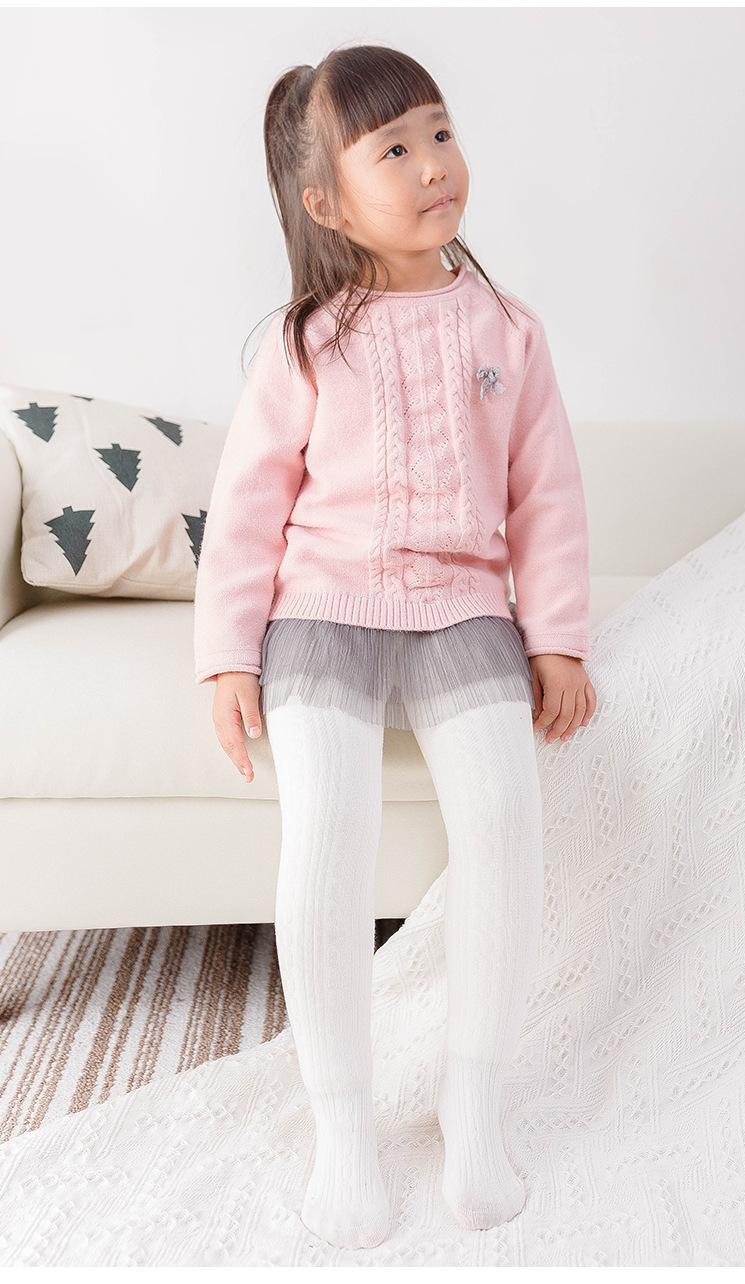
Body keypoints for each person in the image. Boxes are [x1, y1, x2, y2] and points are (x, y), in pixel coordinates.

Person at [193, 43, 597, 1251]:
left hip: (464, 610)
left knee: (506, 820)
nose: (433, 166)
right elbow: (249, 503)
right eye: (395, 149)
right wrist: (226, 654)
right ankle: (342, 1126)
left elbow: (547, 499)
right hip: (322, 611)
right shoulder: (307, 341)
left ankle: (474, 1103)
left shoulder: (508, 330)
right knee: (327, 829)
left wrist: (556, 637)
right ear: (327, 202)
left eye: (440, 132)